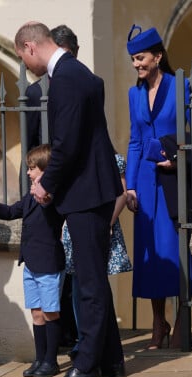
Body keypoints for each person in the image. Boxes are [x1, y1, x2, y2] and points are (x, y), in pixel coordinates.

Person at [14, 21, 124, 377]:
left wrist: (46, 182)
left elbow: (66, 143)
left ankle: (87, 365)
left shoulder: (66, 78)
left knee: (90, 284)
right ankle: (110, 358)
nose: (27, 67)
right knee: (93, 279)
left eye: (23, 58)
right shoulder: (79, 74)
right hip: (91, 188)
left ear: (31, 47)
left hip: (85, 192)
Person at [124, 24, 191, 350]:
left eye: (141, 58)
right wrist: (131, 187)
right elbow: (135, 141)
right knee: (149, 254)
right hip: (147, 186)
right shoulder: (133, 94)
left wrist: (178, 159)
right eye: (134, 60)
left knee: (174, 250)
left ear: (158, 56)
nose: (137, 64)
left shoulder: (182, 85)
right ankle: (158, 321)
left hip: (174, 180)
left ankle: (182, 320)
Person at [0, 144, 65, 377]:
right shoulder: (30, 198)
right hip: (30, 263)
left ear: (45, 170)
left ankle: (51, 361)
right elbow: (10, 212)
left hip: (48, 264)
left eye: (32, 169)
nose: (28, 173)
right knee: (37, 313)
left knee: (50, 313)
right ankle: (40, 359)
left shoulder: (51, 196)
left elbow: (49, 205)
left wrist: (45, 192)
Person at [24, 25, 81, 348]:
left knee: (72, 268)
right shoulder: (35, 93)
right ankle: (57, 341)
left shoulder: (78, 80)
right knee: (51, 273)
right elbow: (32, 144)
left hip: (73, 188)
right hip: (47, 184)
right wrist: (38, 182)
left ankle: (72, 332)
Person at [63, 150, 132, 359]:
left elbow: (122, 193)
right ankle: (82, 338)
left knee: (95, 281)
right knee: (77, 281)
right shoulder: (72, 158)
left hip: (102, 222)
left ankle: (94, 339)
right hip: (74, 224)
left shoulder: (113, 159)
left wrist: (108, 223)